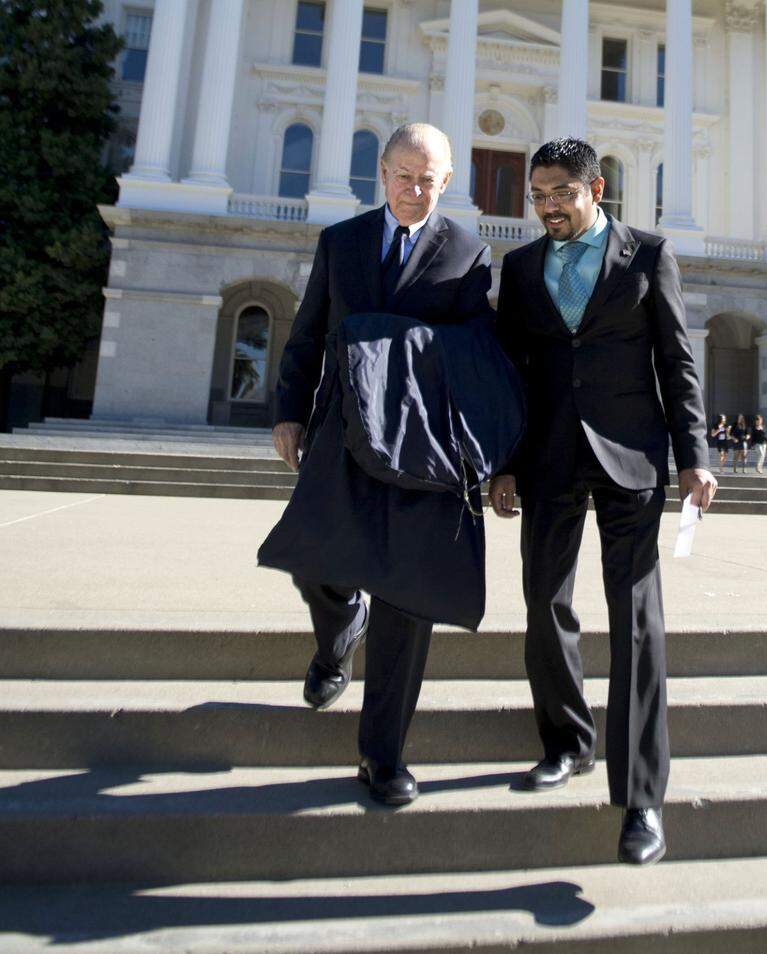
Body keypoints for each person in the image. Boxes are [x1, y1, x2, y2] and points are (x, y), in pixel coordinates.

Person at [489, 138, 716, 867]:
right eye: (538, 194)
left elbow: (676, 361)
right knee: (544, 605)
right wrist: (501, 465)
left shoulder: (648, 255)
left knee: (637, 622)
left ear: (597, 187)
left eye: (561, 191)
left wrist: (696, 457)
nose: (548, 206)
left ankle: (643, 797)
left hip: (632, 460)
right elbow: (509, 373)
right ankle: (565, 744)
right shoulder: (519, 269)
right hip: (548, 459)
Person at [269, 123, 497, 806]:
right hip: (340, 431)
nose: (414, 189)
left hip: (420, 446)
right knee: (313, 559)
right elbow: (307, 331)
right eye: (404, 174)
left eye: (429, 179)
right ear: (382, 172)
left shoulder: (467, 251)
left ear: (448, 182)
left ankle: (384, 756)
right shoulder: (341, 242)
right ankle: (339, 628)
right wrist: (289, 410)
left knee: (407, 596)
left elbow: (476, 354)